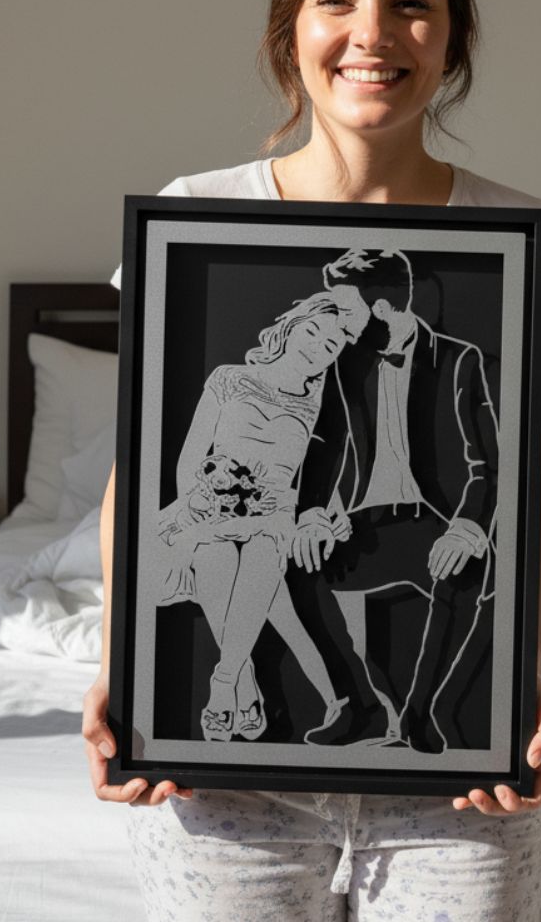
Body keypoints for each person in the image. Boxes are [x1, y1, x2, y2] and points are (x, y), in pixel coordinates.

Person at [84, 0, 541, 920]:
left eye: (412, 3)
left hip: (458, 787)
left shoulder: (528, 242)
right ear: (290, 30)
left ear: (454, 37)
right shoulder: (195, 222)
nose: (374, 33)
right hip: (224, 779)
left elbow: (534, 488)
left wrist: (519, 680)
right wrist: (126, 670)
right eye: (337, 0)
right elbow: (138, 478)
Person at [286, 247, 500, 752]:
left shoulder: (459, 360)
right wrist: (312, 513)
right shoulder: (346, 363)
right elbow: (325, 444)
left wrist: (466, 528)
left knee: (471, 568)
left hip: (437, 519)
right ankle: (358, 707)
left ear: (382, 308)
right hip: (368, 523)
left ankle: (421, 720)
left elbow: (486, 464)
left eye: (346, 309)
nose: (339, 322)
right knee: (293, 564)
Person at [150, 292, 355, 743]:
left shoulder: (319, 405)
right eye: (311, 331)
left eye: (330, 345)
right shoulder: (229, 378)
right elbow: (190, 456)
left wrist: (331, 513)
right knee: (216, 555)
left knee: (264, 550)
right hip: (209, 504)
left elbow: (321, 475)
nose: (316, 346)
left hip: (274, 515)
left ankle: (224, 684)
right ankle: (243, 686)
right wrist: (199, 510)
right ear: (290, 327)